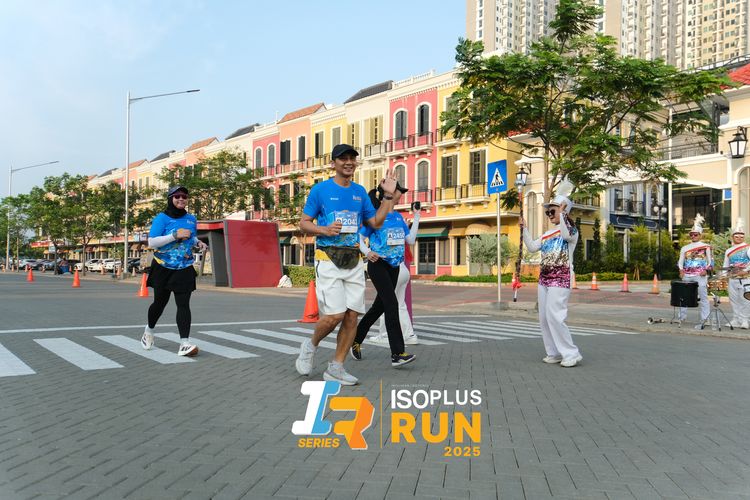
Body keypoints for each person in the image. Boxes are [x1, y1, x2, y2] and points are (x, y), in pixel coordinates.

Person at [294, 144, 397, 385]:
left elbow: (376, 223)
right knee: (334, 315)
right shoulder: (320, 190)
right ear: (334, 164)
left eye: (352, 158)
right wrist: (324, 229)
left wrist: (388, 197)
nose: (349, 162)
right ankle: (310, 345)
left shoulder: (359, 192)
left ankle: (336, 367)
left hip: (353, 260)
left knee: (352, 316)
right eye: (343, 159)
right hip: (328, 258)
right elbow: (304, 223)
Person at [350, 186, 418, 366]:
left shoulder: (398, 217)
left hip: (394, 267)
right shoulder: (375, 217)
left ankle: (355, 339)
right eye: (398, 191)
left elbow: (410, 240)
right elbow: (357, 236)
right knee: (392, 304)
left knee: (378, 308)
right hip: (378, 265)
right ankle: (398, 353)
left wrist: (417, 216)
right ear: (386, 195)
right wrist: (367, 252)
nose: (401, 194)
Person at [520, 178, 582, 367]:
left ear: (563, 210)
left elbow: (566, 234)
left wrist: (562, 215)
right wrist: (524, 229)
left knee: (556, 316)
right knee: (544, 318)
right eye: (548, 212)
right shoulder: (547, 234)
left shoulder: (572, 231)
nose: (549, 214)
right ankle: (553, 352)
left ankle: (571, 354)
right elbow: (532, 247)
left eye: (552, 211)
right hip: (544, 279)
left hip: (561, 278)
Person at [141, 186, 208, 356]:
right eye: (177, 196)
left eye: (184, 196)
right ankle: (149, 331)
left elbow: (191, 236)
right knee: (159, 304)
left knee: (183, 305)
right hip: (162, 267)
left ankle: (184, 343)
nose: (181, 199)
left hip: (184, 267)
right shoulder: (162, 218)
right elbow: (152, 242)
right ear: (170, 198)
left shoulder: (191, 219)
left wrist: (198, 242)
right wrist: (174, 236)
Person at [369, 200, 421, 346]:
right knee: (400, 304)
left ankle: (384, 335)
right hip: (402, 269)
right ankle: (409, 335)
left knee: (385, 303)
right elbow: (411, 240)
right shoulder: (398, 220)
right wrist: (417, 215)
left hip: (389, 269)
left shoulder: (379, 223)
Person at [678, 214, 713, 329]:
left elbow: (710, 261)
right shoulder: (684, 248)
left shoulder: (706, 246)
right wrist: (681, 270)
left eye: (695, 234)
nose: (693, 236)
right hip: (687, 275)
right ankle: (681, 317)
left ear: (700, 235)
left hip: (700, 275)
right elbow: (680, 262)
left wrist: (706, 270)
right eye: (691, 234)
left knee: (703, 297)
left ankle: (705, 318)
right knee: (684, 296)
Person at [722, 218, 750, 329]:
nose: (739, 238)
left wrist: (746, 271)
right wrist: (724, 276)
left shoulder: (748, 248)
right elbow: (726, 264)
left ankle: (745, 320)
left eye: (741, 236)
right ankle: (736, 319)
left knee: (745, 300)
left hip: (745, 278)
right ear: (732, 237)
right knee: (734, 300)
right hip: (732, 279)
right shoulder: (729, 251)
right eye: (737, 236)